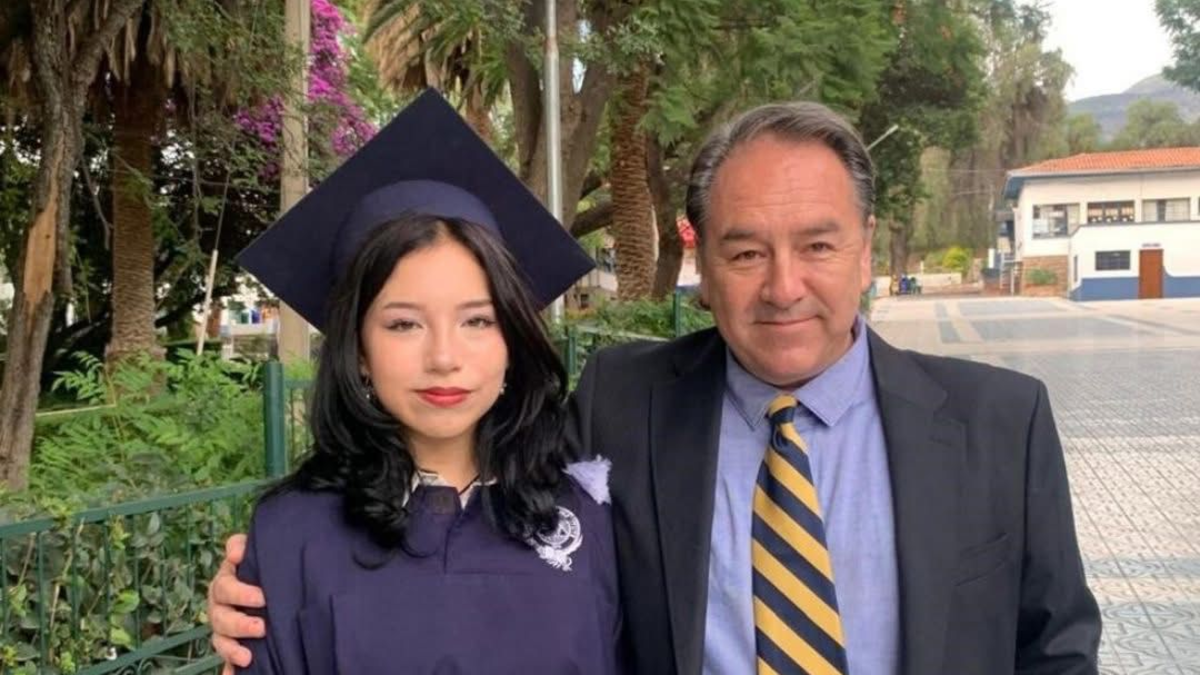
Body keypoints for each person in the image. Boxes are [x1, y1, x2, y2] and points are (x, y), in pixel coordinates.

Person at [210, 100, 1101, 674]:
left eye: (819, 246)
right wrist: (273, 578)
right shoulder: (622, 403)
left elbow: (1057, 649)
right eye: (745, 252)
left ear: (868, 248)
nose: (783, 286)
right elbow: (457, 483)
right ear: (700, 261)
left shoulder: (1001, 423)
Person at [223, 90, 621, 674]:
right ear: (359, 350)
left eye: (477, 321)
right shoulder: (291, 535)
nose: (444, 357)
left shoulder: (587, 518)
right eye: (404, 324)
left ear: (512, 339)